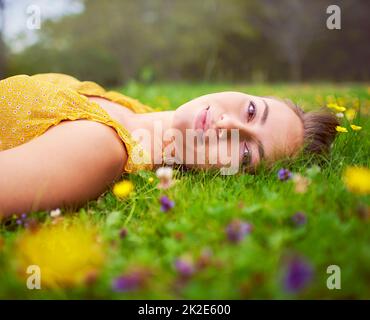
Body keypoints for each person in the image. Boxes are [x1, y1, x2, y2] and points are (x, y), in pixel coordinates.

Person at [0, 73, 338, 217]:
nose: (228, 125)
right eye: (251, 111)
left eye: (245, 151)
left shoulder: (99, 149)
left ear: (229, 175)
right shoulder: (133, 109)